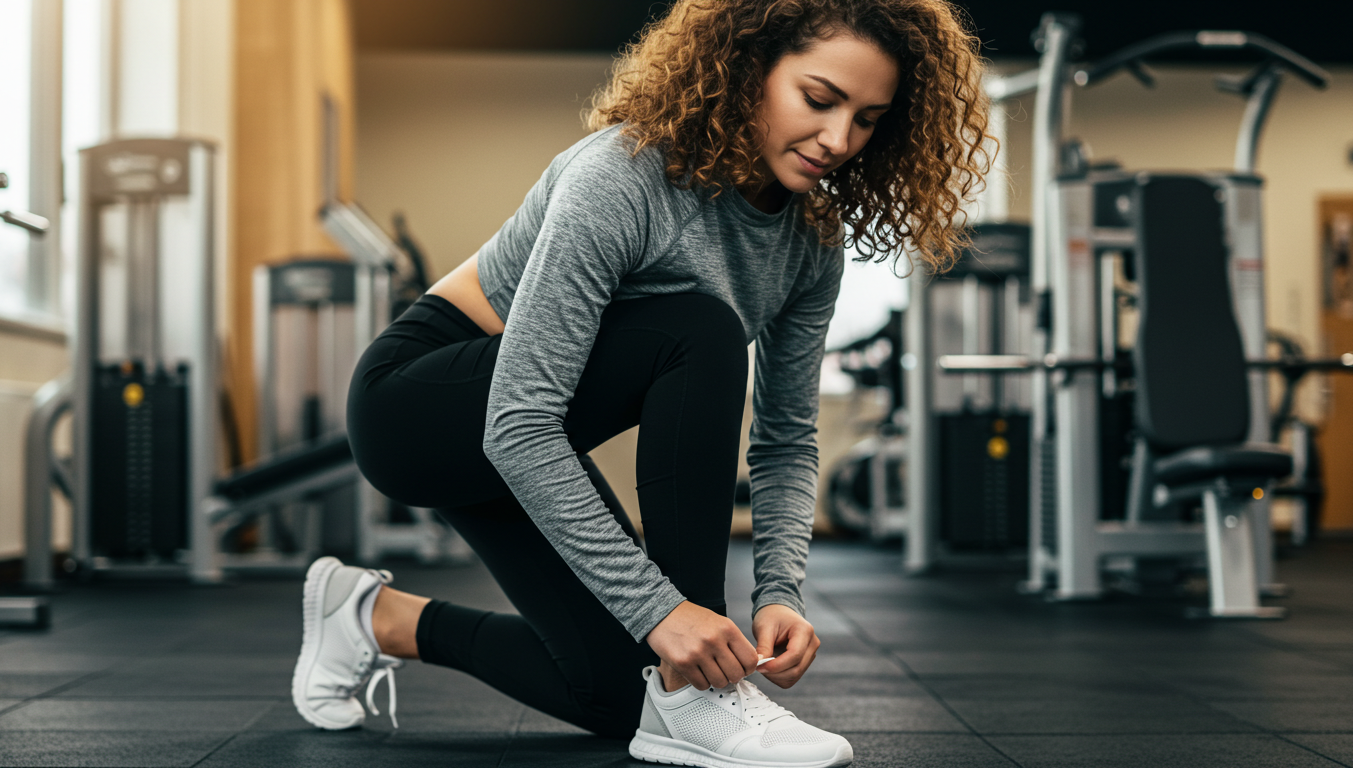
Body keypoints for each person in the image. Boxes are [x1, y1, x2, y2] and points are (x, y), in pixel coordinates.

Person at [292, 0, 989, 765]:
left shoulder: (811, 241)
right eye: (819, 100)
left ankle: (369, 616)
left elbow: (786, 437)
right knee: (699, 329)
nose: (837, 138)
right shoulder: (621, 175)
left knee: (619, 693)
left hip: (520, 425)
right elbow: (518, 422)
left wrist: (780, 594)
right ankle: (701, 697)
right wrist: (666, 612)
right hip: (417, 405)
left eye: (867, 119)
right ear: (747, 69)